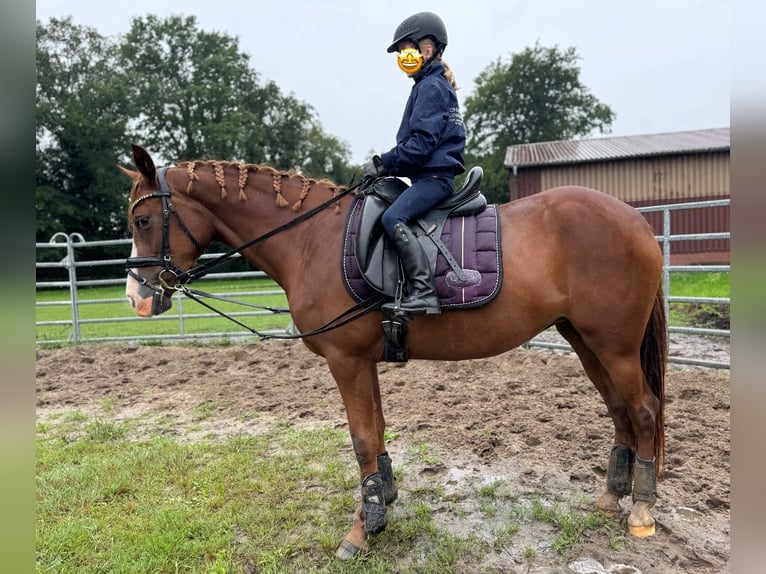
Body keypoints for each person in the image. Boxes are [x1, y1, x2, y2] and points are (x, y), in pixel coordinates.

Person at [363, 11, 466, 316]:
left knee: (392, 218)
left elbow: (421, 145)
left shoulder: (431, 88)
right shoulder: (429, 85)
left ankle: (423, 291)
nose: (402, 58)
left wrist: (384, 163)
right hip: (428, 177)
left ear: (427, 49)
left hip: (434, 179)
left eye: (405, 50)